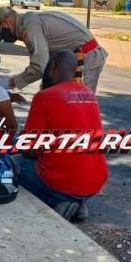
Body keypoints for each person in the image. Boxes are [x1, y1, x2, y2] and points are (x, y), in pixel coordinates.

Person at [13, 49, 108, 221]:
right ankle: (79, 203)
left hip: (64, 182)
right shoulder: (89, 95)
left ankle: (57, 200)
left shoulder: (44, 97)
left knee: (13, 163)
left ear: (53, 67)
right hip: (95, 181)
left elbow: (29, 148)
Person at [0, 6, 108, 93]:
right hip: (74, 59)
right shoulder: (29, 21)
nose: (4, 38)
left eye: (1, 33)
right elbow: (46, 64)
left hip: (86, 57)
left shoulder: (30, 26)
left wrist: (10, 82)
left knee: (79, 103)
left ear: (5, 21)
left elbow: (39, 67)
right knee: (54, 98)